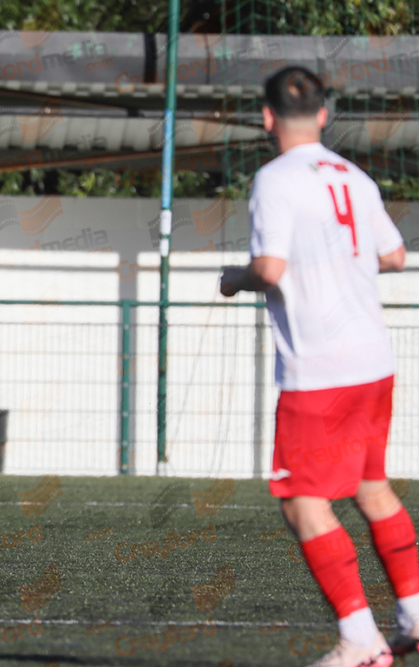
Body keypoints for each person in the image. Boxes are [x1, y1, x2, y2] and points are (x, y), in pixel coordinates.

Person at [220, 66, 412, 667]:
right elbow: (394, 255)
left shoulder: (275, 180)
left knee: (302, 499)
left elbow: (271, 269)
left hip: (319, 371)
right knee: (370, 487)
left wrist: (234, 280)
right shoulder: (354, 175)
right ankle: (412, 615)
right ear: (325, 115)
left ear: (267, 117)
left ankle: (360, 639)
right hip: (373, 361)